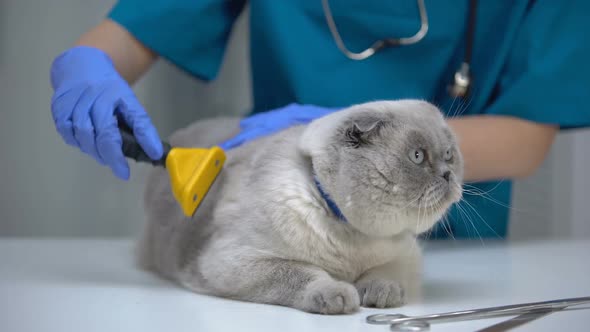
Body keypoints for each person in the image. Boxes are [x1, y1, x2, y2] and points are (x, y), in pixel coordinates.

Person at [49, 1, 590, 239]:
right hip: (276, 218)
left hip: (454, 256)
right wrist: (88, 64)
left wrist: (339, 134)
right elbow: (137, 27)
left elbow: (527, 133)